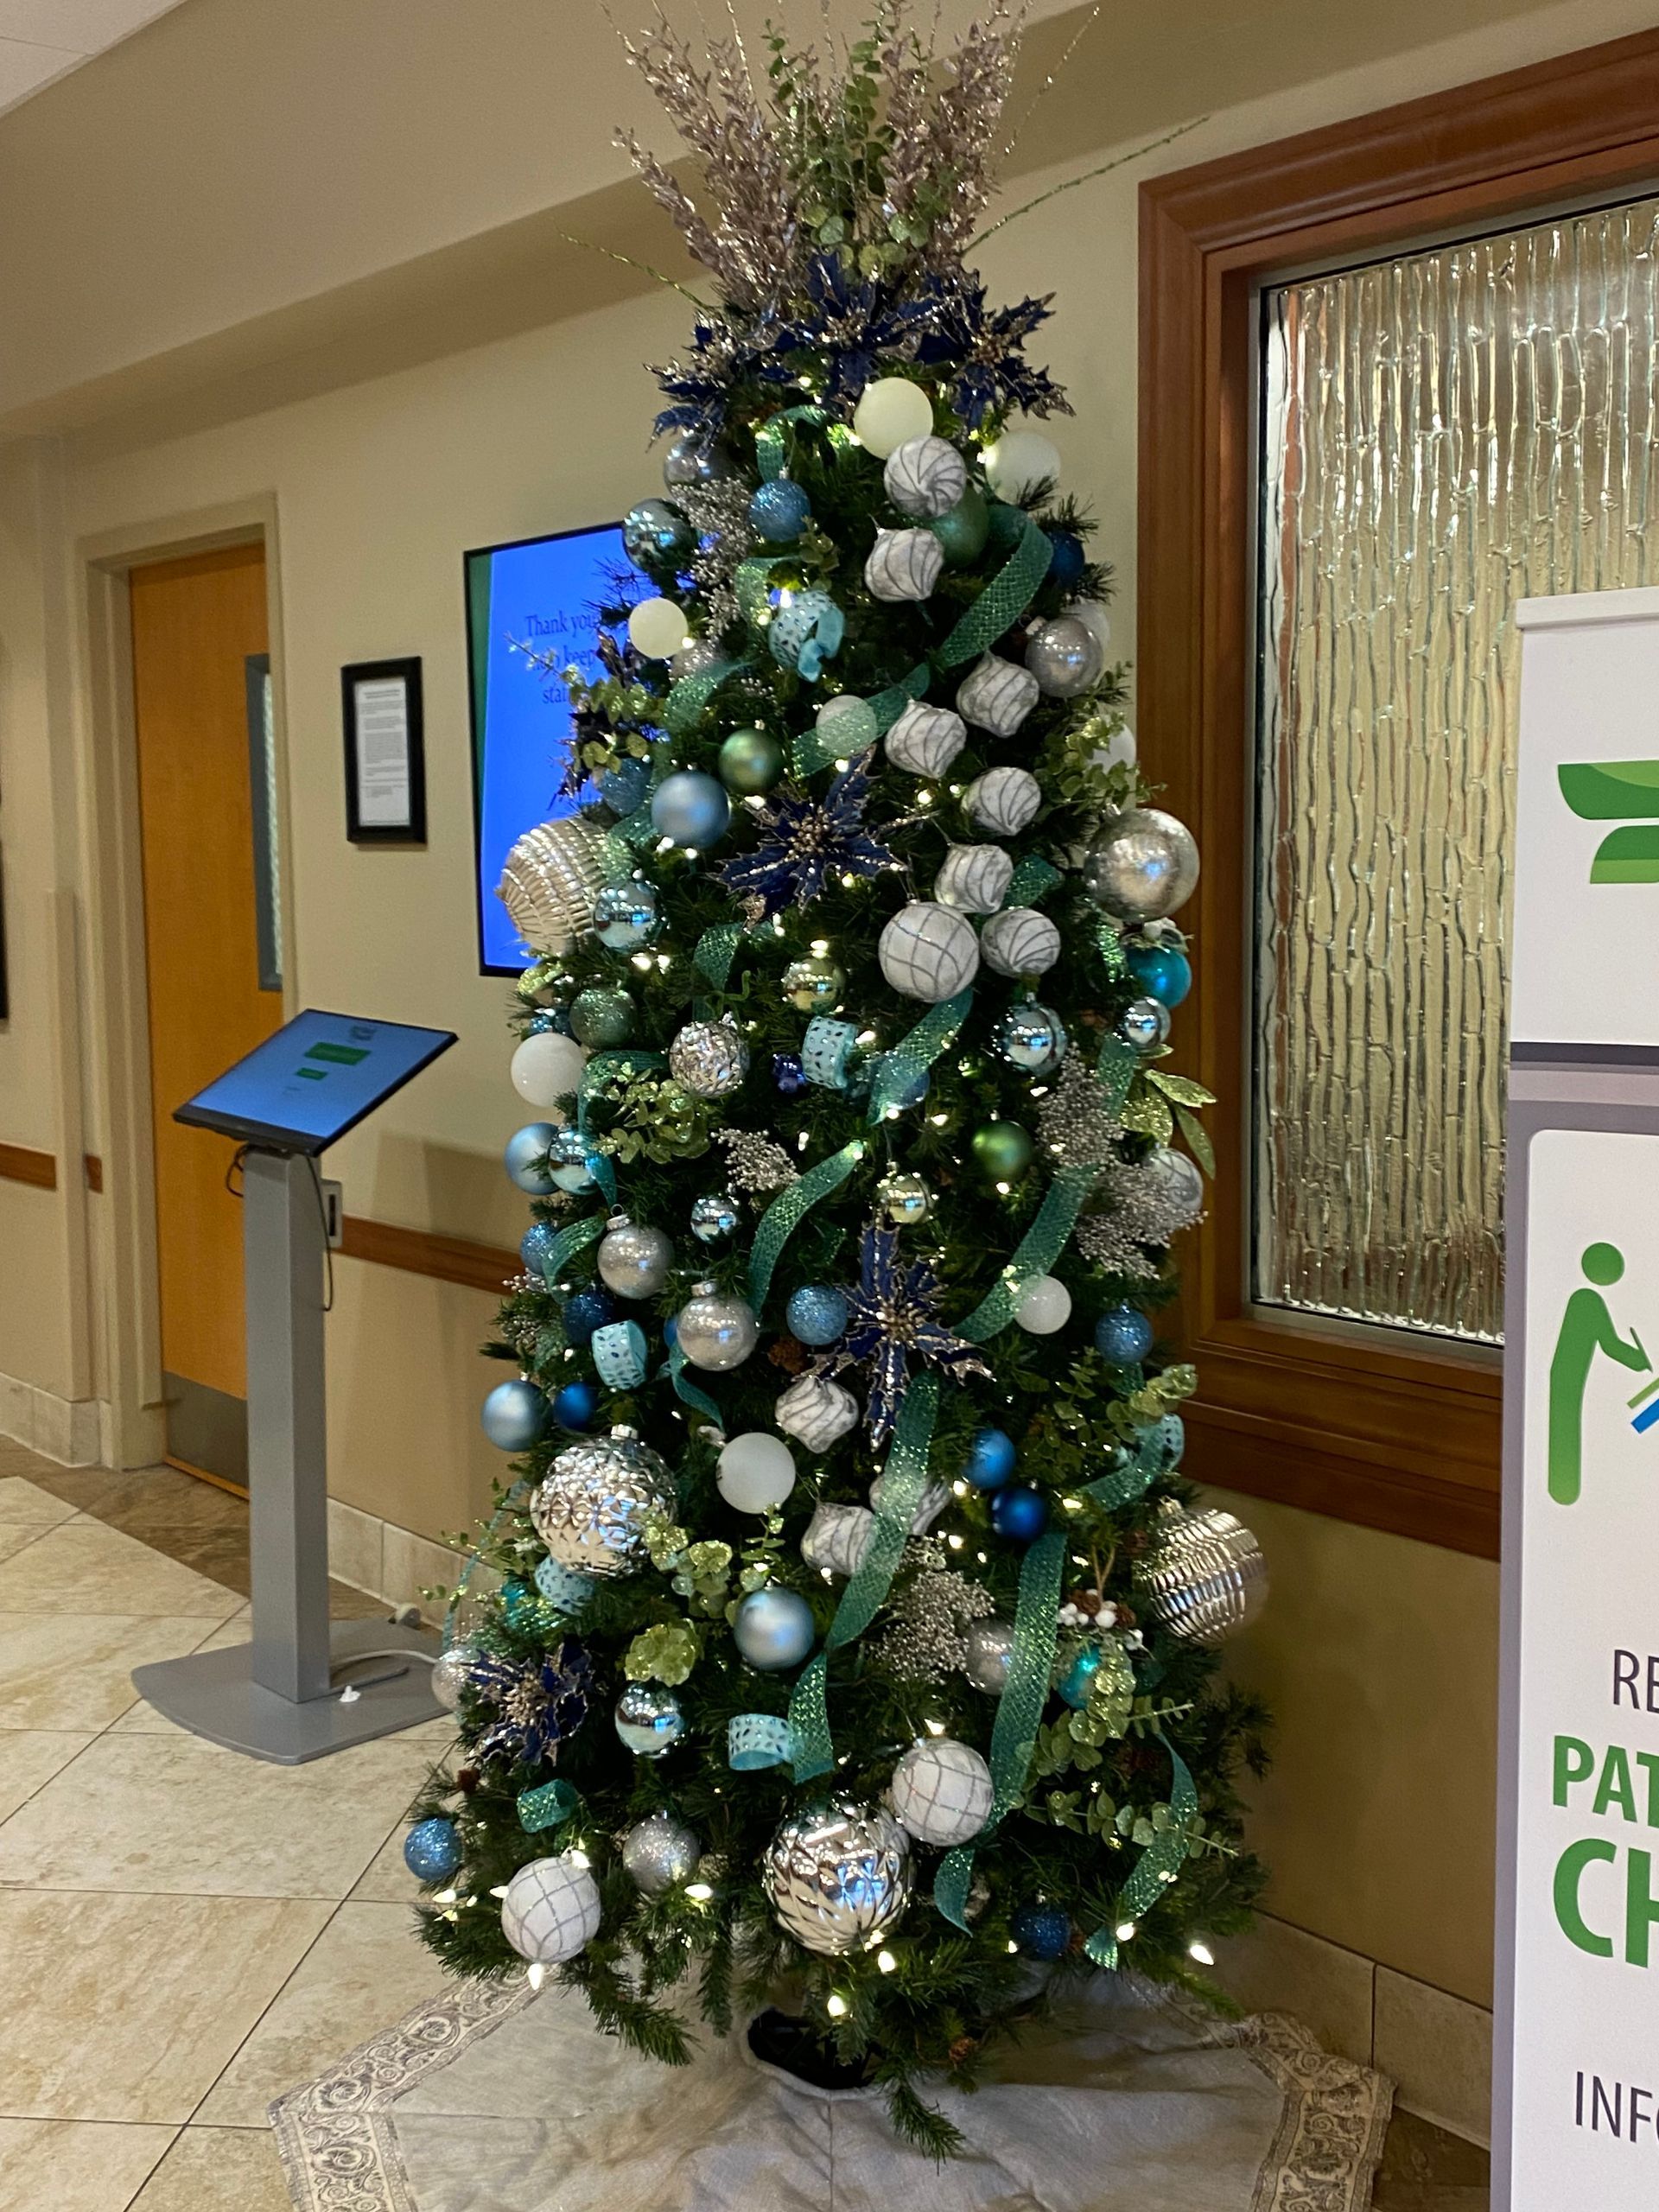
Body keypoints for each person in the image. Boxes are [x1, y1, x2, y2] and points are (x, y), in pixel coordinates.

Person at [1548, 1243, 1650, 1506]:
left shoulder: (1584, 1297)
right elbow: (1610, 1344)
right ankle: (1564, 1492)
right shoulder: (1587, 1299)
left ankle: (1564, 1492)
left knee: (1565, 1423)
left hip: (1567, 1372)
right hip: (1570, 1375)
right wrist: (1638, 1361)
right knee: (1565, 1424)